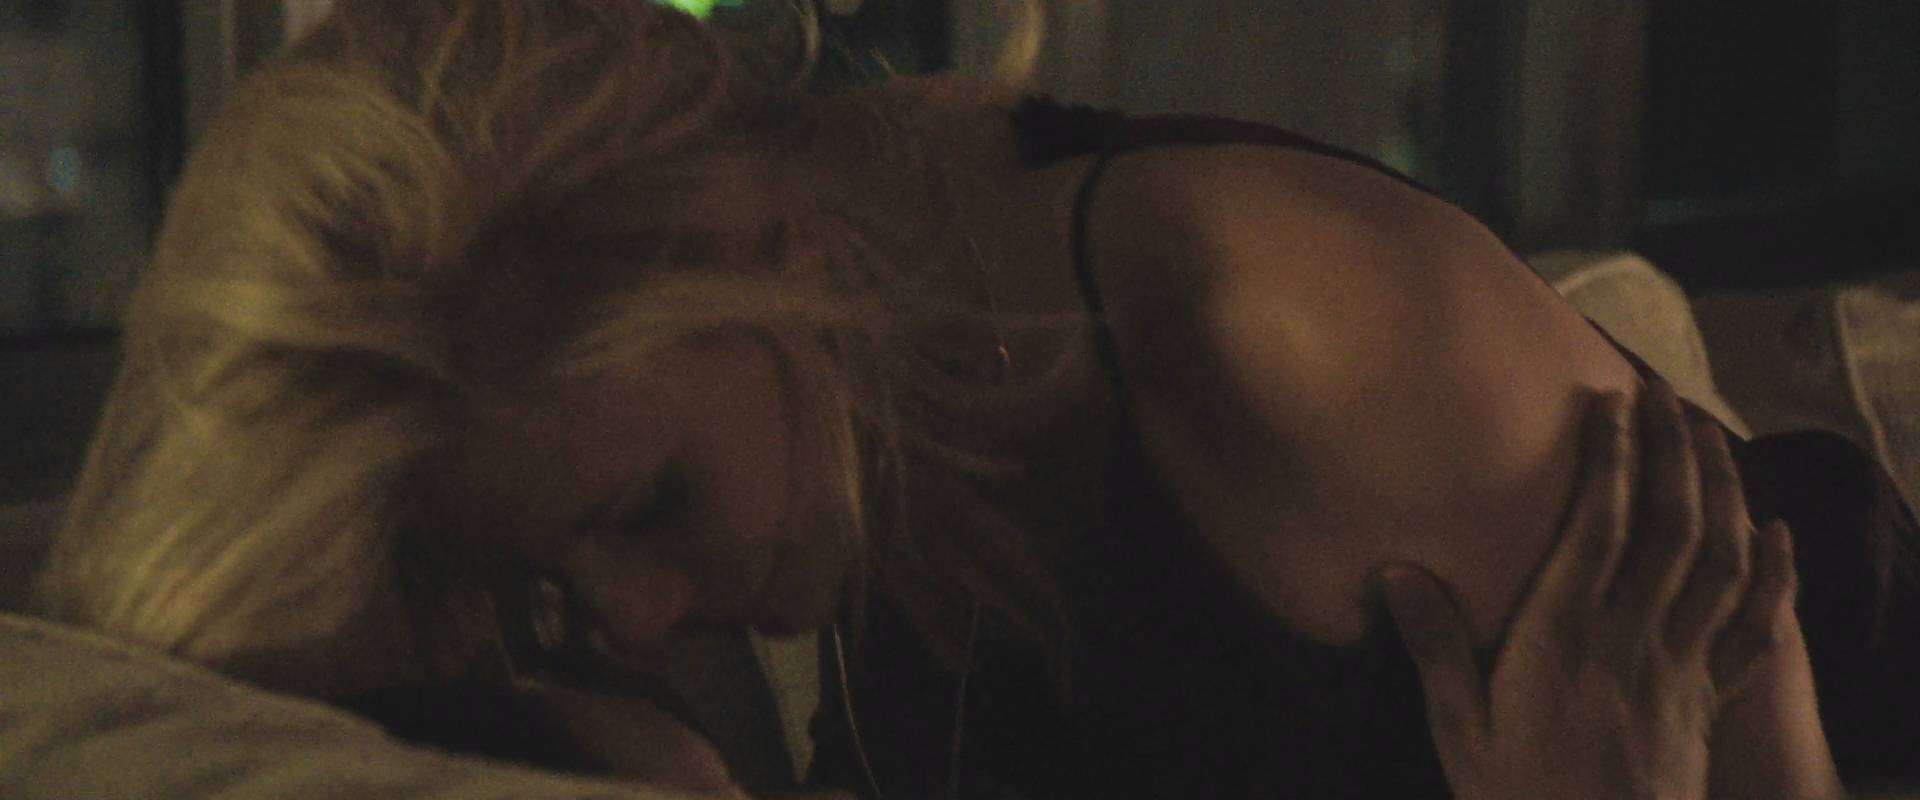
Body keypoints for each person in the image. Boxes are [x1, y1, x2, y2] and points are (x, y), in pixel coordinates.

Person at [29, 1, 1917, 797]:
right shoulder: (850, 388)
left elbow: (1764, 696)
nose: (641, 616)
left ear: (757, 236)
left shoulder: (1288, 343)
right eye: (555, 585)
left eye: (643, 511)